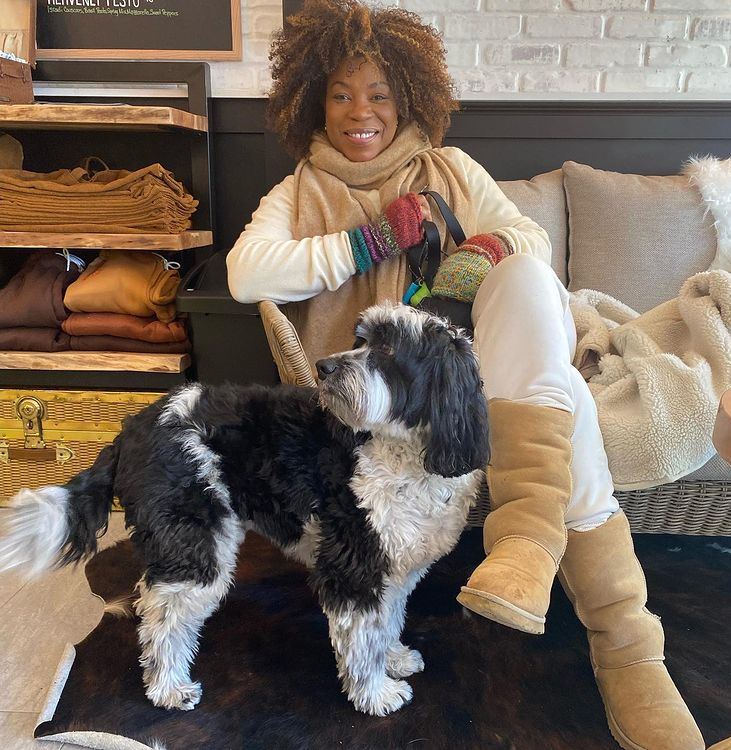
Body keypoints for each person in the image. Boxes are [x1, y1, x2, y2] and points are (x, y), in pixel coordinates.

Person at [226, 1, 704, 747]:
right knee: (567, 394)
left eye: (379, 94)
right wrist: (370, 241)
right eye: (343, 95)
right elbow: (245, 272)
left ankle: (534, 549)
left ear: (406, 98)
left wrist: (480, 252)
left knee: (523, 277)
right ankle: (624, 644)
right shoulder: (301, 188)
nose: (361, 113)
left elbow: (528, 236)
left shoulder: (447, 168)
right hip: (392, 388)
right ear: (316, 101)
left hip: (478, 361)